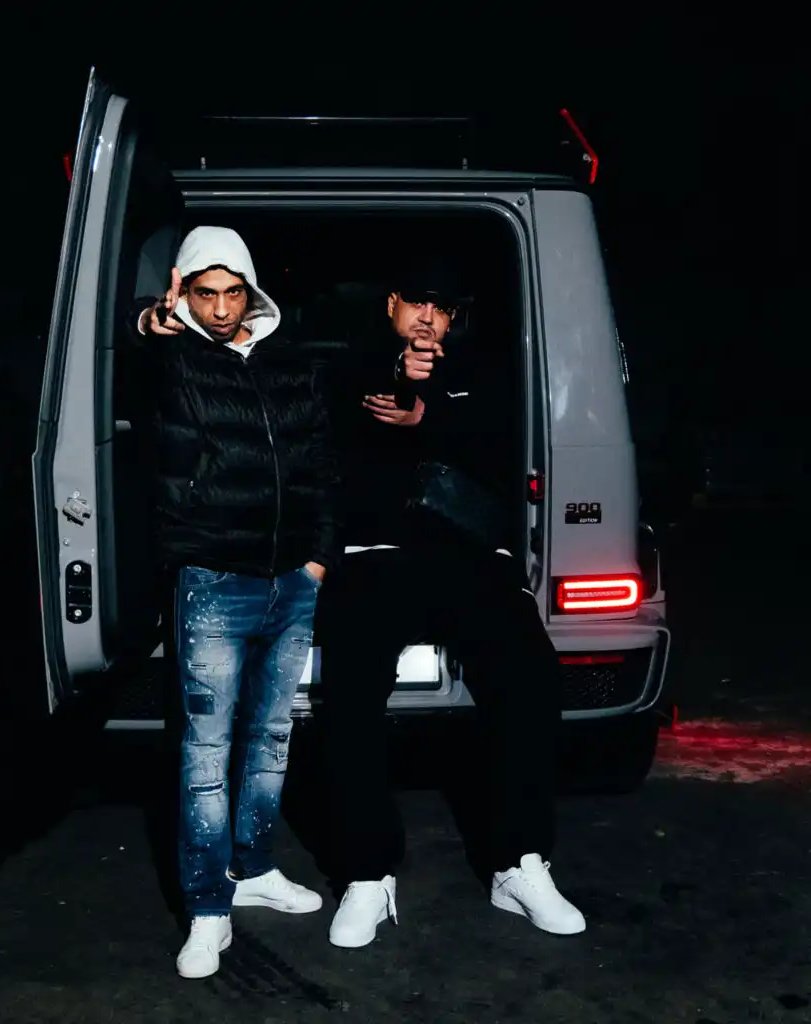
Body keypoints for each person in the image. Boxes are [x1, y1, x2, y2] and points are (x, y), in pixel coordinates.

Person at [316, 261, 585, 949]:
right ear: (392, 305)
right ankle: (367, 874)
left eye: (441, 307)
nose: (427, 318)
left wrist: (429, 411)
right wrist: (399, 383)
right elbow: (345, 417)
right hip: (376, 558)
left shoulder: (484, 371)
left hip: (469, 558)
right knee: (348, 692)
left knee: (530, 676)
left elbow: (499, 438)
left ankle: (518, 863)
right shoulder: (351, 364)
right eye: (416, 303)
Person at [133, 226, 340, 978]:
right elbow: (126, 361)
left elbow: (321, 463)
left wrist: (317, 558)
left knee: (271, 738)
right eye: (204, 294)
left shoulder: (290, 360)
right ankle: (207, 909)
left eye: (231, 292)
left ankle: (252, 868)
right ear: (184, 292)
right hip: (216, 581)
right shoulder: (174, 358)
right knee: (206, 753)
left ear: (251, 291)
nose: (220, 309)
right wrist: (151, 322)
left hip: (292, 580)